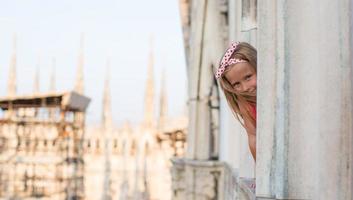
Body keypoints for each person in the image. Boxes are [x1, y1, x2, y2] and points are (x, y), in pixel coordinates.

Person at [215, 42, 257, 161]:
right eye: (237, 84)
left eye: (248, 77)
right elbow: (253, 136)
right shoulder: (245, 104)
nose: (245, 88)